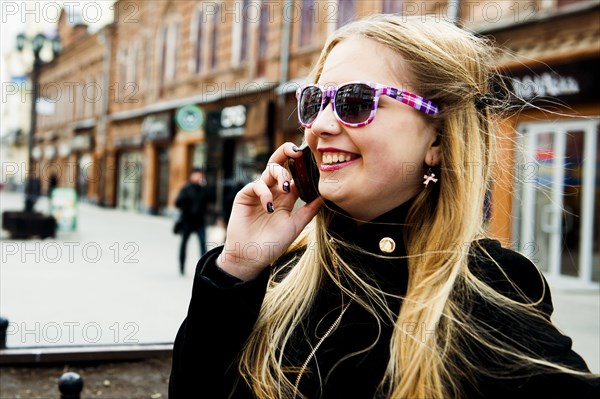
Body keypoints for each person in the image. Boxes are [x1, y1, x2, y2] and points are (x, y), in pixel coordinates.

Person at [169, 15, 600, 398]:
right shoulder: (275, 278)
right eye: (314, 101)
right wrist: (237, 268)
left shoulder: (488, 293)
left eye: (356, 102)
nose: (319, 126)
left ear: (437, 139)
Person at [175, 167, 209, 275]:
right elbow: (177, 203)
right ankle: (181, 267)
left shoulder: (203, 189)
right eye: (198, 175)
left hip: (200, 222)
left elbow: (209, 200)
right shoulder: (186, 188)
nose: (200, 177)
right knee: (184, 244)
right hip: (187, 221)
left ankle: (204, 269)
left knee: (203, 244)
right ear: (192, 175)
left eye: (201, 175)